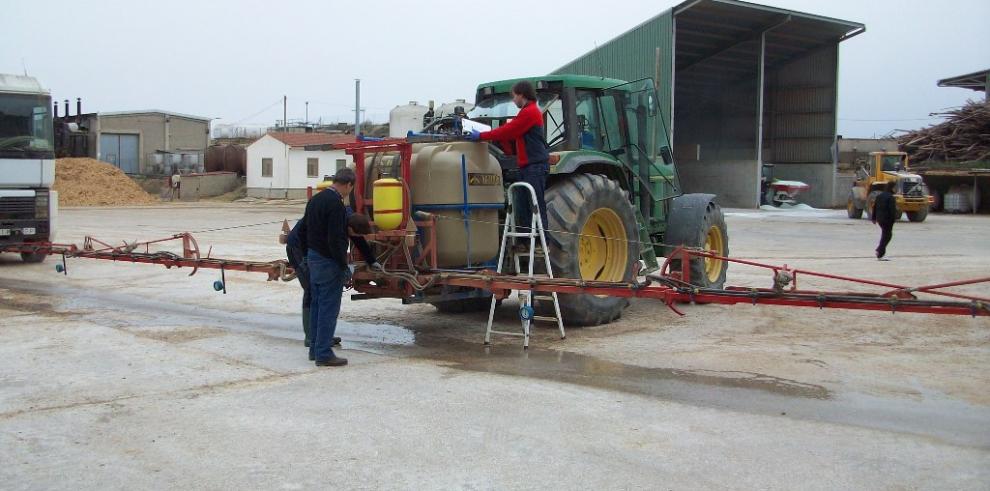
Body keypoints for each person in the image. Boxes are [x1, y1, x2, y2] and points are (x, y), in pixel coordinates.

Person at [467, 80, 550, 238]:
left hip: (534, 166)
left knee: (535, 205)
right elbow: (510, 134)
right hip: (527, 167)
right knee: (524, 206)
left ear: (522, 95)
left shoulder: (530, 112)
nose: (513, 100)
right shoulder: (527, 112)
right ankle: (525, 240)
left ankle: (542, 242)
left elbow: (509, 131)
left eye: (514, 96)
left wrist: (481, 136)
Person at [295, 168, 357, 367]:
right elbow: (336, 239)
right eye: (351, 188)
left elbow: (303, 230)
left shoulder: (315, 200)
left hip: (313, 258)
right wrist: (343, 265)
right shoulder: (336, 205)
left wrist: (306, 256)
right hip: (328, 261)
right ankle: (323, 353)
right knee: (329, 308)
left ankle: (314, 349)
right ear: (348, 185)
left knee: (317, 305)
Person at [872, 180, 899, 260]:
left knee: (886, 235)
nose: (896, 189)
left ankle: (880, 251)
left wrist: (874, 218)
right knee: (887, 236)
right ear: (892, 188)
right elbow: (892, 210)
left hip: (880, 219)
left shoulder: (880, 195)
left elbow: (875, 207)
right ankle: (880, 253)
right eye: (895, 187)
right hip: (887, 219)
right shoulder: (890, 197)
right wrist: (893, 219)